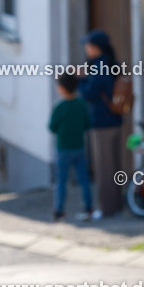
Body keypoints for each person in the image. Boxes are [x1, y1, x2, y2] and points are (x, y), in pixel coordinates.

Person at [78, 30, 123, 217]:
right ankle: (115, 205)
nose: (86, 48)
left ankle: (106, 209)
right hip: (114, 120)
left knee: (104, 169)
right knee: (113, 167)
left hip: (102, 123)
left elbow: (90, 93)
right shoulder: (110, 63)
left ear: (96, 47)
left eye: (88, 44)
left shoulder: (99, 65)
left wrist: (79, 79)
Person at [49, 72, 95, 221]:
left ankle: (59, 210)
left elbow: (52, 127)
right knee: (84, 179)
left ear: (61, 88)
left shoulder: (59, 107)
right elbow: (87, 124)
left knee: (61, 181)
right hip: (79, 147)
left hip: (62, 148)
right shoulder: (81, 104)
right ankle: (88, 207)